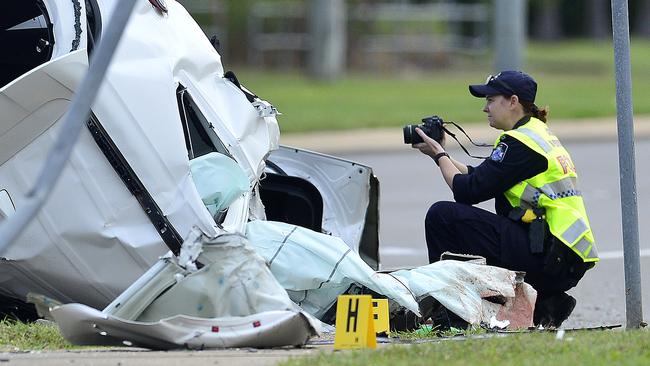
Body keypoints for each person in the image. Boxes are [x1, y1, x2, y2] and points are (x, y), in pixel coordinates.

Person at [412, 71, 598, 327]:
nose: (485, 108)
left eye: (490, 100)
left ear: (513, 101)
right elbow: (481, 176)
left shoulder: (521, 143)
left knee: (442, 216)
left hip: (551, 257)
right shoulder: (534, 134)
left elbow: (467, 191)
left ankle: (452, 314)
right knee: (467, 222)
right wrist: (439, 155)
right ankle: (546, 302)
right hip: (560, 256)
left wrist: (440, 154)